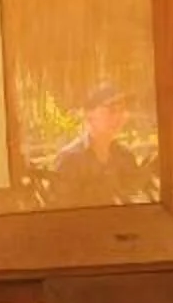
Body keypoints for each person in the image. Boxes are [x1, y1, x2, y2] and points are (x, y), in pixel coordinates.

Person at [48, 80, 149, 208]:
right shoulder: (70, 159)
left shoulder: (126, 157)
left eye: (122, 110)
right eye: (112, 110)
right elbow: (60, 213)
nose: (118, 117)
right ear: (89, 115)